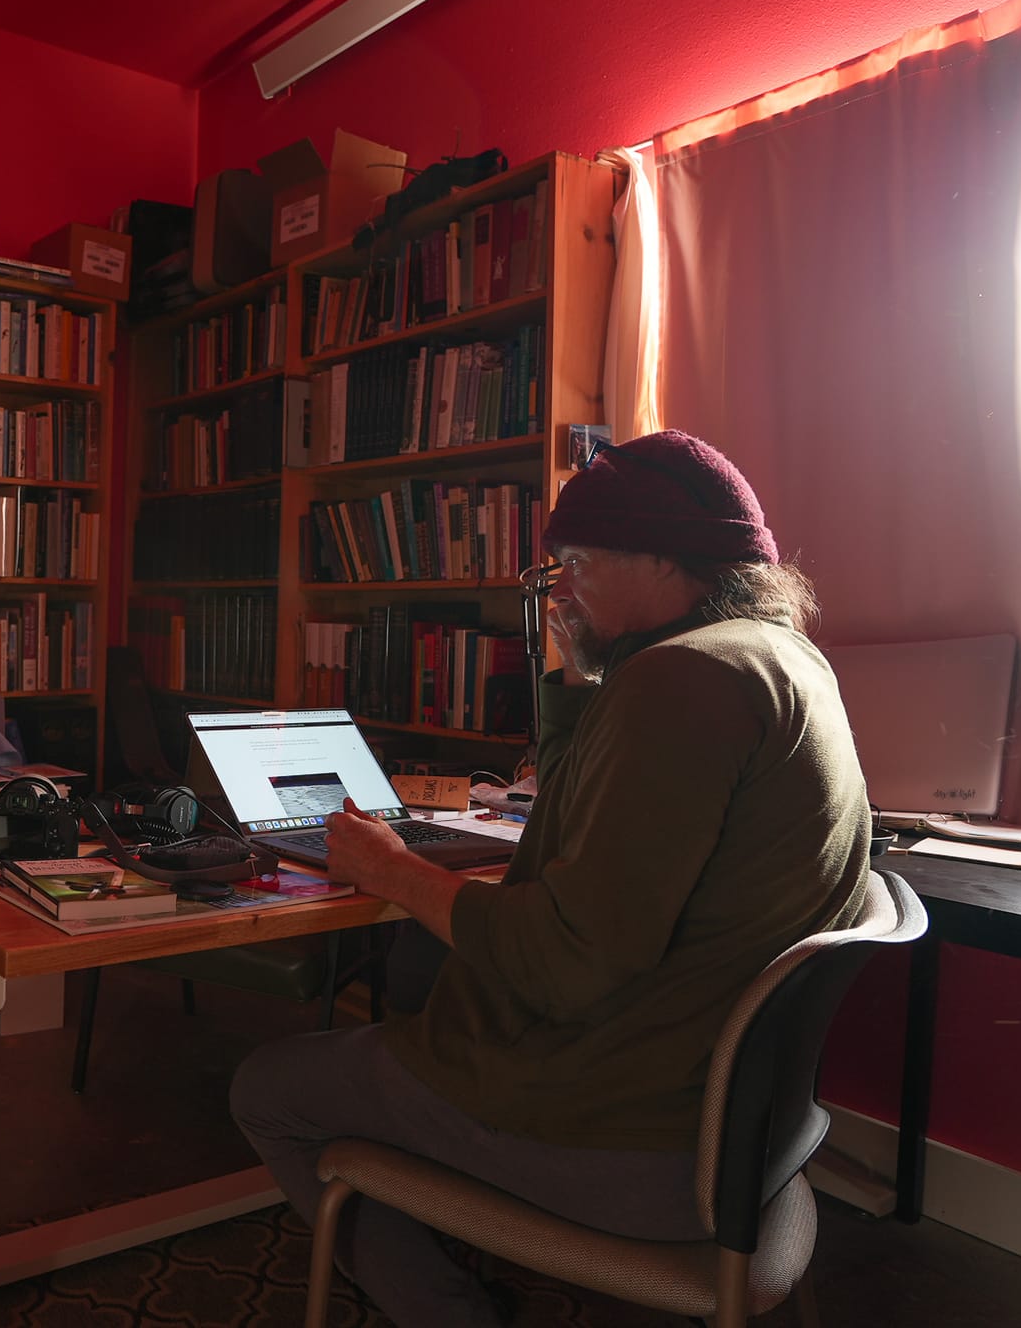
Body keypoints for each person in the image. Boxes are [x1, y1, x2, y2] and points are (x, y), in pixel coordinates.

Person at [230, 430, 872, 1326]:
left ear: (661, 556)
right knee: (421, 973)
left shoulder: (679, 681)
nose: (562, 586)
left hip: (625, 1137)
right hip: (736, 1129)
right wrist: (580, 678)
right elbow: (581, 832)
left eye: (575, 560)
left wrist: (396, 871)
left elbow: (568, 962)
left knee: (268, 1086)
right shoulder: (779, 658)